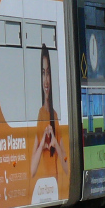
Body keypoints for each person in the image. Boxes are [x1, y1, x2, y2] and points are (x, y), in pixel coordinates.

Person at [31, 45, 70, 185]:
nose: (46, 80)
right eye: (43, 73)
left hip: (55, 185)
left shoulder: (54, 115)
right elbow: (32, 170)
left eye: (48, 73)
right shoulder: (40, 114)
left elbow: (66, 167)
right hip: (44, 185)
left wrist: (55, 144)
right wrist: (42, 143)